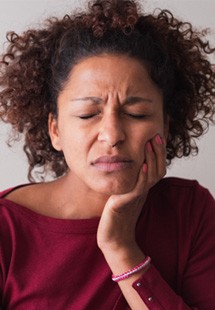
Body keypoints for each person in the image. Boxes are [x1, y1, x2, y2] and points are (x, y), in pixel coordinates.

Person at [0, 0, 214, 308]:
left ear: (165, 127)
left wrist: (120, 247)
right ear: (55, 129)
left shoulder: (190, 211)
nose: (112, 136)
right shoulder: (7, 231)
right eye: (88, 114)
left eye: (137, 114)